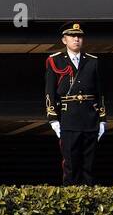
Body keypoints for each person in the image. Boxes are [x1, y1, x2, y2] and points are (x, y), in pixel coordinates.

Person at [44, 22, 106, 185]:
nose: (76, 39)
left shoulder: (92, 61)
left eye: (79, 36)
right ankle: (72, 199)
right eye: (72, 36)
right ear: (64, 40)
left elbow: (99, 92)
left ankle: (88, 198)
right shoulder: (55, 60)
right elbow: (50, 92)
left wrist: (102, 118)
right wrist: (53, 119)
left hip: (90, 117)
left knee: (89, 164)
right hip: (68, 118)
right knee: (71, 164)